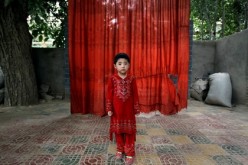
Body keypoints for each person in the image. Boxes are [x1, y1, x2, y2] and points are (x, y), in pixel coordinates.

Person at [106, 53, 140, 165]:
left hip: (129, 111)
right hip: (116, 111)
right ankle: (120, 150)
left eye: (125, 63)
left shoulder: (132, 78)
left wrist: (136, 108)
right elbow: (109, 94)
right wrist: (109, 108)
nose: (123, 66)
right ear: (115, 66)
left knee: (129, 132)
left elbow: (135, 94)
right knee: (118, 131)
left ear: (129, 65)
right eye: (120, 64)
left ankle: (130, 152)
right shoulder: (112, 79)